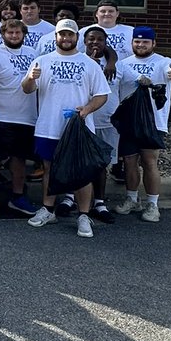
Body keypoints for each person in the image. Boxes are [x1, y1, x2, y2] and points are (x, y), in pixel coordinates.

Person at [21, 18, 109, 238]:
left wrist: (87, 109)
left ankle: (83, 215)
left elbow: (102, 94)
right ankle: (48, 209)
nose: (66, 38)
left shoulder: (89, 63)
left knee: (81, 172)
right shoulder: (42, 60)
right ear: (56, 37)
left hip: (79, 127)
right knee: (49, 169)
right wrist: (31, 79)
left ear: (77, 38)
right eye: (62, 34)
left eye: (70, 35)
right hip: (49, 125)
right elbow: (26, 89)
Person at [112, 26, 171, 223]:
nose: (141, 45)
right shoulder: (123, 64)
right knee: (129, 161)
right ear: (132, 43)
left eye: (145, 42)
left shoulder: (164, 62)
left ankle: (152, 204)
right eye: (137, 41)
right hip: (129, 122)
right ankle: (132, 199)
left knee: (149, 161)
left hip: (154, 122)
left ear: (153, 43)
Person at [0, 18, 38, 217]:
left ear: (24, 34)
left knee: (19, 159)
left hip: (26, 118)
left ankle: (18, 197)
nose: (14, 36)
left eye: (18, 33)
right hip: (0, 116)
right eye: (10, 33)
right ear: (3, 34)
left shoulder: (33, 54)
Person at [82, 25, 121, 222]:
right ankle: (71, 199)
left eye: (99, 39)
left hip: (107, 123)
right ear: (84, 41)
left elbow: (136, 81)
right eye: (91, 39)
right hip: (83, 121)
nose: (95, 42)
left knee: (101, 165)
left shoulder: (116, 66)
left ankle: (99, 202)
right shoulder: (78, 62)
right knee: (79, 162)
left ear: (106, 43)